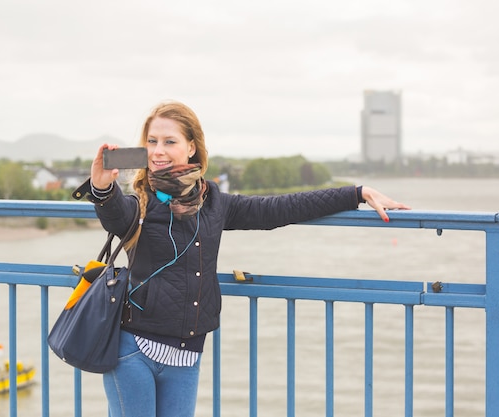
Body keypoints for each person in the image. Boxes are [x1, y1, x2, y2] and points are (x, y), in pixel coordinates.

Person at [84, 101, 410, 417]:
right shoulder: (138, 203)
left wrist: (356, 193)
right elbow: (115, 215)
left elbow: (277, 209)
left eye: (170, 141)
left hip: (186, 356)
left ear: (192, 147)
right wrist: (102, 188)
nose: (158, 151)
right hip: (133, 351)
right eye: (152, 141)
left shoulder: (214, 203)